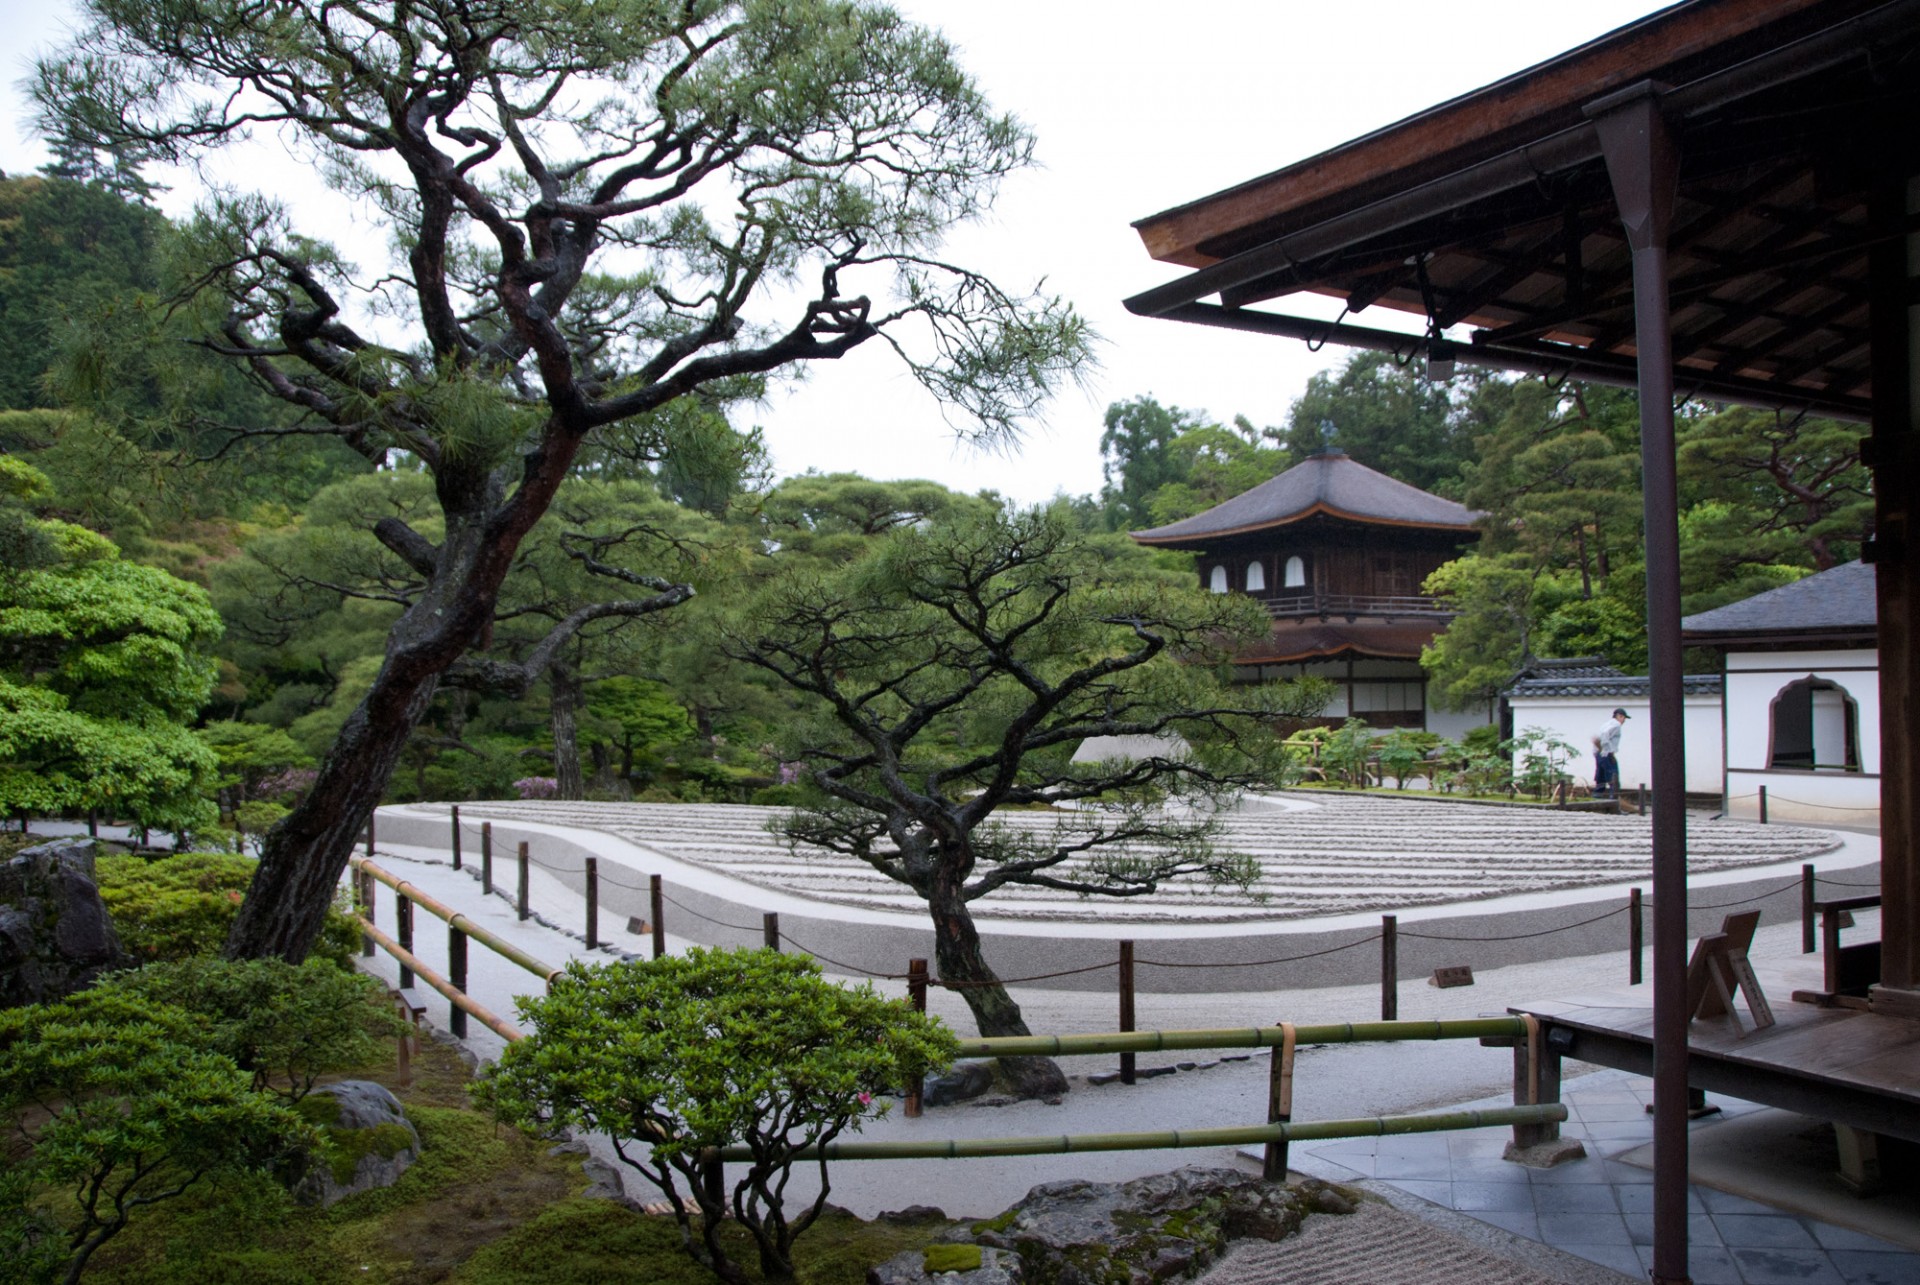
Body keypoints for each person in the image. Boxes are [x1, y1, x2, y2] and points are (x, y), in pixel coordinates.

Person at [1593, 708, 1628, 799]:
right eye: (1624, 718)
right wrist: (1609, 750)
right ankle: (1614, 799)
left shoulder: (1606, 724)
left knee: (1601, 775)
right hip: (1606, 753)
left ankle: (1597, 796)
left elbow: (1600, 736)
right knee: (1613, 775)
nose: (1624, 720)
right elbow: (1605, 735)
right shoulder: (1616, 725)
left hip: (1598, 753)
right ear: (1619, 716)